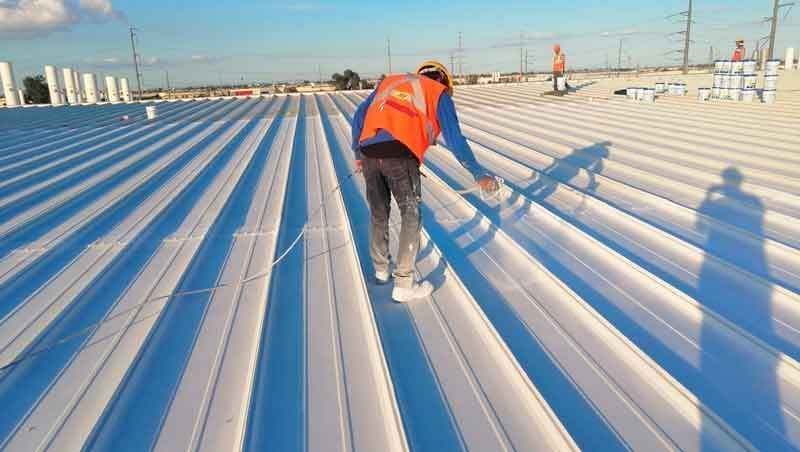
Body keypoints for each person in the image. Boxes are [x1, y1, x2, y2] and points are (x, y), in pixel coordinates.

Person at [351, 60, 499, 302]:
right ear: (443, 81)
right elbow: (455, 139)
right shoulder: (437, 92)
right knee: (411, 215)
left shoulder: (390, 82)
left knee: (379, 213)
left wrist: (359, 154)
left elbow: (359, 117)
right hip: (399, 155)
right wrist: (478, 173)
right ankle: (403, 284)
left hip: (369, 153)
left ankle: (380, 271)